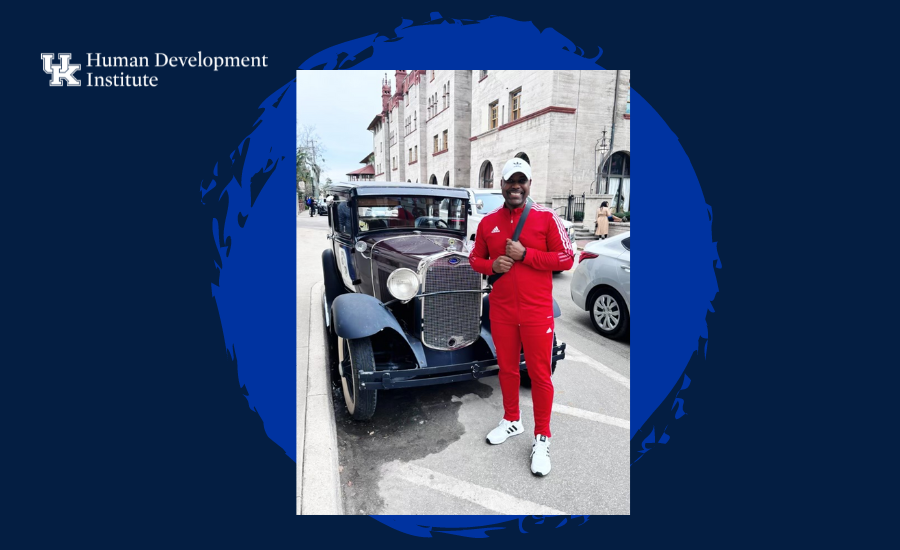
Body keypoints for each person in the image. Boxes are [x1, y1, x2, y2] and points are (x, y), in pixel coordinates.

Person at [468, 157, 575, 476]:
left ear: (529, 184)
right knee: (508, 369)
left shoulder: (546, 217)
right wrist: (492, 266)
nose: (516, 186)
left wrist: (526, 255)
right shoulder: (488, 223)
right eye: (509, 181)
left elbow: (567, 257)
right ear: (500, 184)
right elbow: (474, 258)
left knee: (541, 375)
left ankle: (542, 437)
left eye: (521, 180)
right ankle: (512, 420)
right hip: (501, 310)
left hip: (536, 311)